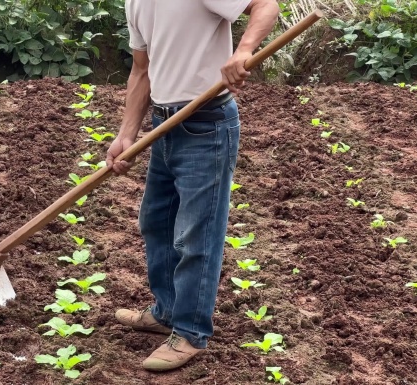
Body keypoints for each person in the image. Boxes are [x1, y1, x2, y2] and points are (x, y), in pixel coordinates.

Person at [104, 0, 280, 372]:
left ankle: (189, 331)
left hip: (206, 122)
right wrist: (126, 135)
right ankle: (167, 312)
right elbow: (142, 69)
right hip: (164, 125)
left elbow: (266, 4)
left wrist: (244, 50)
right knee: (156, 221)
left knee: (195, 233)